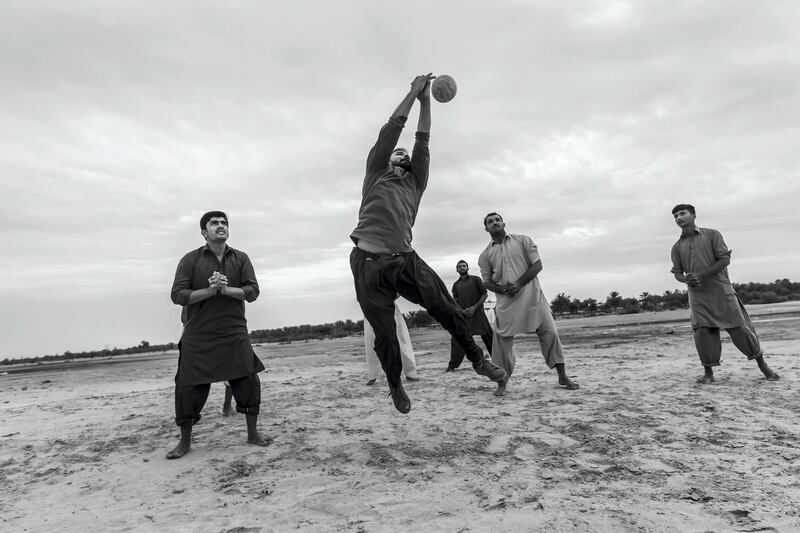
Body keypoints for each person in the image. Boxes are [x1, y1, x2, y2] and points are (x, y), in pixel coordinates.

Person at [349, 74, 506, 413]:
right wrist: (411, 93)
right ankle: (395, 384)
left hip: (405, 259)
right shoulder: (375, 171)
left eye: (406, 154)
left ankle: (478, 358)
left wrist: (426, 102)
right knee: (385, 335)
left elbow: (422, 139)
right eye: (397, 152)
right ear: (387, 158)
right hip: (367, 263)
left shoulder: (416, 181)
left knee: (447, 309)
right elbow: (392, 127)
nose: (402, 153)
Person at [167, 211, 271, 459]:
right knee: (188, 389)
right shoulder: (190, 260)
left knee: (248, 382)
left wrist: (226, 289)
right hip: (198, 335)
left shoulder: (241, 258)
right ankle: (185, 442)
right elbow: (178, 295)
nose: (220, 226)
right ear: (204, 232)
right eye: (214, 223)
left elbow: (253, 292)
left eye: (224, 223)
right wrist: (210, 290)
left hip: (234, 332)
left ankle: (253, 434)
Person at [670, 204, 780, 384]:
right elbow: (676, 272)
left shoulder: (713, 234)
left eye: (682, 213)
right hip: (698, 296)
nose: (679, 218)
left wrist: (701, 275)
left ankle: (763, 367)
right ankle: (708, 374)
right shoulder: (676, 247)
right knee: (702, 332)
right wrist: (685, 279)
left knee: (740, 329)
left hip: (721, 291)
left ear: (694, 215)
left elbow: (724, 259)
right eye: (675, 216)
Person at [478, 212, 579, 396]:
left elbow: (537, 265)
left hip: (533, 297)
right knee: (500, 342)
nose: (494, 223)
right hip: (506, 302)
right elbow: (486, 281)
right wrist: (503, 289)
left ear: (504, 223)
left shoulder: (523, 240)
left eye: (497, 220)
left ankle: (562, 375)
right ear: (486, 228)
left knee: (550, 332)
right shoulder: (485, 255)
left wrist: (517, 284)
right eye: (490, 222)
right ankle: (502, 383)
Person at [446, 260, 494, 372]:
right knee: (458, 339)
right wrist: (461, 311)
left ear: (467, 268)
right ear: (457, 270)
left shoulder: (476, 279)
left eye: (464, 266)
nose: (462, 267)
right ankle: (452, 365)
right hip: (464, 316)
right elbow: (455, 301)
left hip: (478, 314)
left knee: (489, 337)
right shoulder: (456, 285)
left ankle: (498, 359)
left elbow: (484, 294)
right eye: (459, 266)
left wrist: (474, 308)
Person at [364, 302, 418, 385]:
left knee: (401, 338)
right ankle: (372, 376)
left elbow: (398, 293)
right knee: (370, 341)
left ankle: (411, 372)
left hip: (389, 305)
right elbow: (359, 297)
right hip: (370, 308)